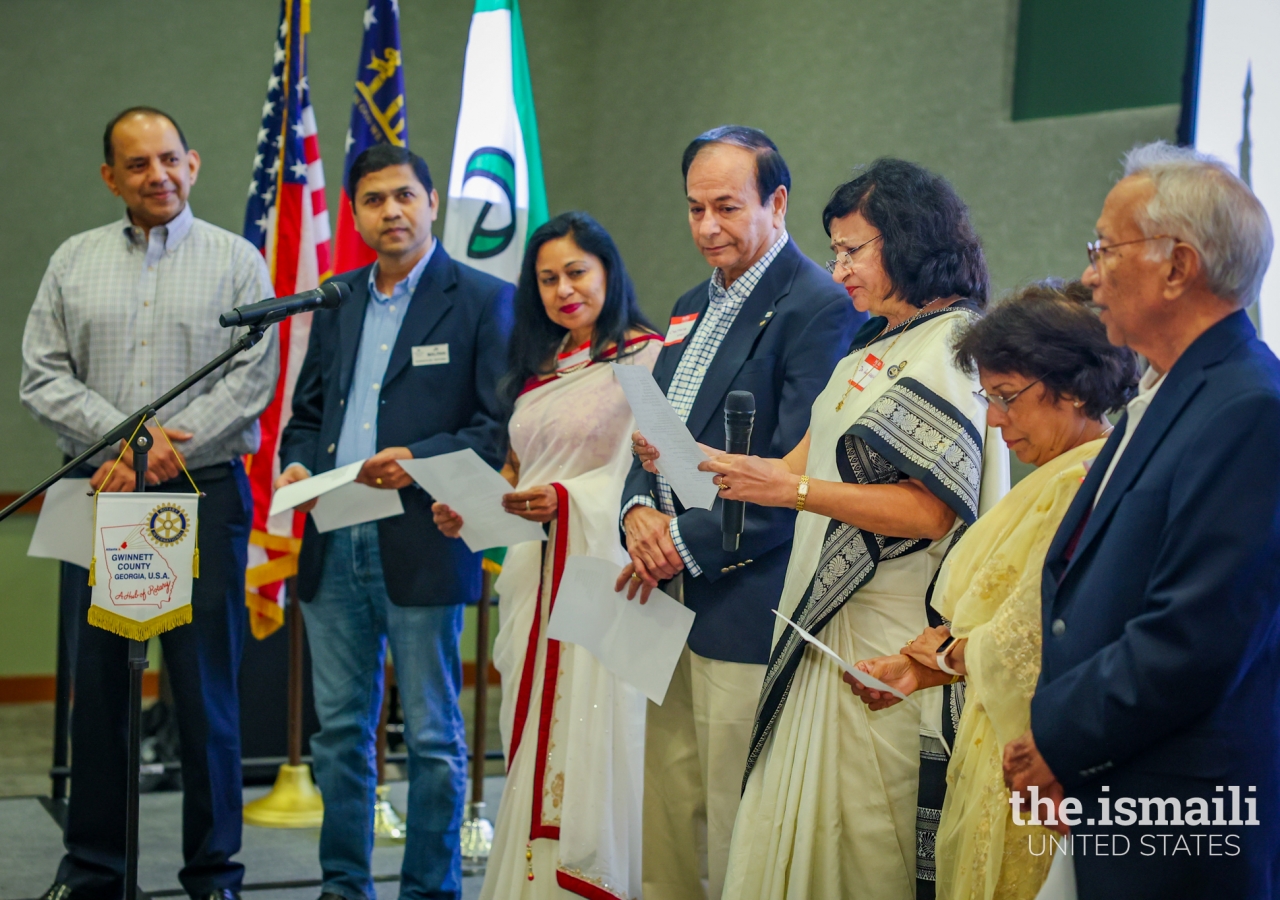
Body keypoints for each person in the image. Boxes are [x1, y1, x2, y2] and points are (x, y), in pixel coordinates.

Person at [704, 158, 1007, 900]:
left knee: (864, 846)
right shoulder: (871, 346)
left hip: (886, 636)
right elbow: (791, 475)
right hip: (818, 628)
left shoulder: (953, 346)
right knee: (795, 836)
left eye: (853, 249)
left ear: (909, 240)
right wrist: (699, 462)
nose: (837, 267)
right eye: (834, 250)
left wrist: (793, 487)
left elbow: (933, 508)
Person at [1001, 143, 1280, 897]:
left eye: (1104, 248)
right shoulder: (1163, 394)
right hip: (1115, 783)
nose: (1089, 273)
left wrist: (1059, 738)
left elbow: (1195, 635)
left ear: (1177, 266)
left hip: (1181, 810)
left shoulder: (1250, 407)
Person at [20, 106, 278, 900]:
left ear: (193, 164)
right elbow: (42, 375)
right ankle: (94, 871)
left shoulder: (238, 261)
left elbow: (255, 377)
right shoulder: (72, 261)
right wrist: (130, 440)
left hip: (204, 493)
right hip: (98, 492)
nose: (157, 175)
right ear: (110, 177)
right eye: (137, 164)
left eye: (169, 159)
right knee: (99, 694)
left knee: (206, 696)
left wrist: (167, 445)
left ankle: (214, 876)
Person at [615, 125, 861, 900]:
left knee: (732, 817)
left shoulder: (818, 306)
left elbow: (795, 472)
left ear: (777, 201)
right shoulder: (691, 303)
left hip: (742, 593)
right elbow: (652, 430)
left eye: (726, 206)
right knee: (663, 808)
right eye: (694, 210)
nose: (707, 227)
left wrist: (677, 543)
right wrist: (633, 514)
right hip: (662, 591)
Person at [847, 280, 1139, 900]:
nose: (994, 418)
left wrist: (949, 655)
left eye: (1007, 397)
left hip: (1038, 756)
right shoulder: (1067, 476)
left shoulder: (1084, 483)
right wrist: (924, 669)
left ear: (1073, 388)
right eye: (989, 396)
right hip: (996, 738)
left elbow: (1035, 636)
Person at [276, 144, 513, 900]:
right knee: (340, 735)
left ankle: (429, 891)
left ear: (433, 201)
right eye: (374, 200)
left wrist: (417, 459)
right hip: (332, 536)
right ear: (354, 213)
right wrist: (296, 463)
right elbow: (307, 414)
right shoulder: (337, 296)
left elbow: (496, 425)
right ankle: (344, 886)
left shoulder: (482, 299)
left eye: (404, 196)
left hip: (422, 537)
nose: (391, 212)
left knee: (436, 739)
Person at [432, 211, 661, 899]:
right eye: (547, 279)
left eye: (577, 273)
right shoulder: (538, 372)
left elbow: (665, 470)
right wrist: (470, 506)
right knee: (528, 737)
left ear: (609, 273)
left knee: (594, 746)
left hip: (604, 578)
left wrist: (570, 500)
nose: (564, 290)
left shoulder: (646, 358)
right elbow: (517, 472)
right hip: (533, 581)